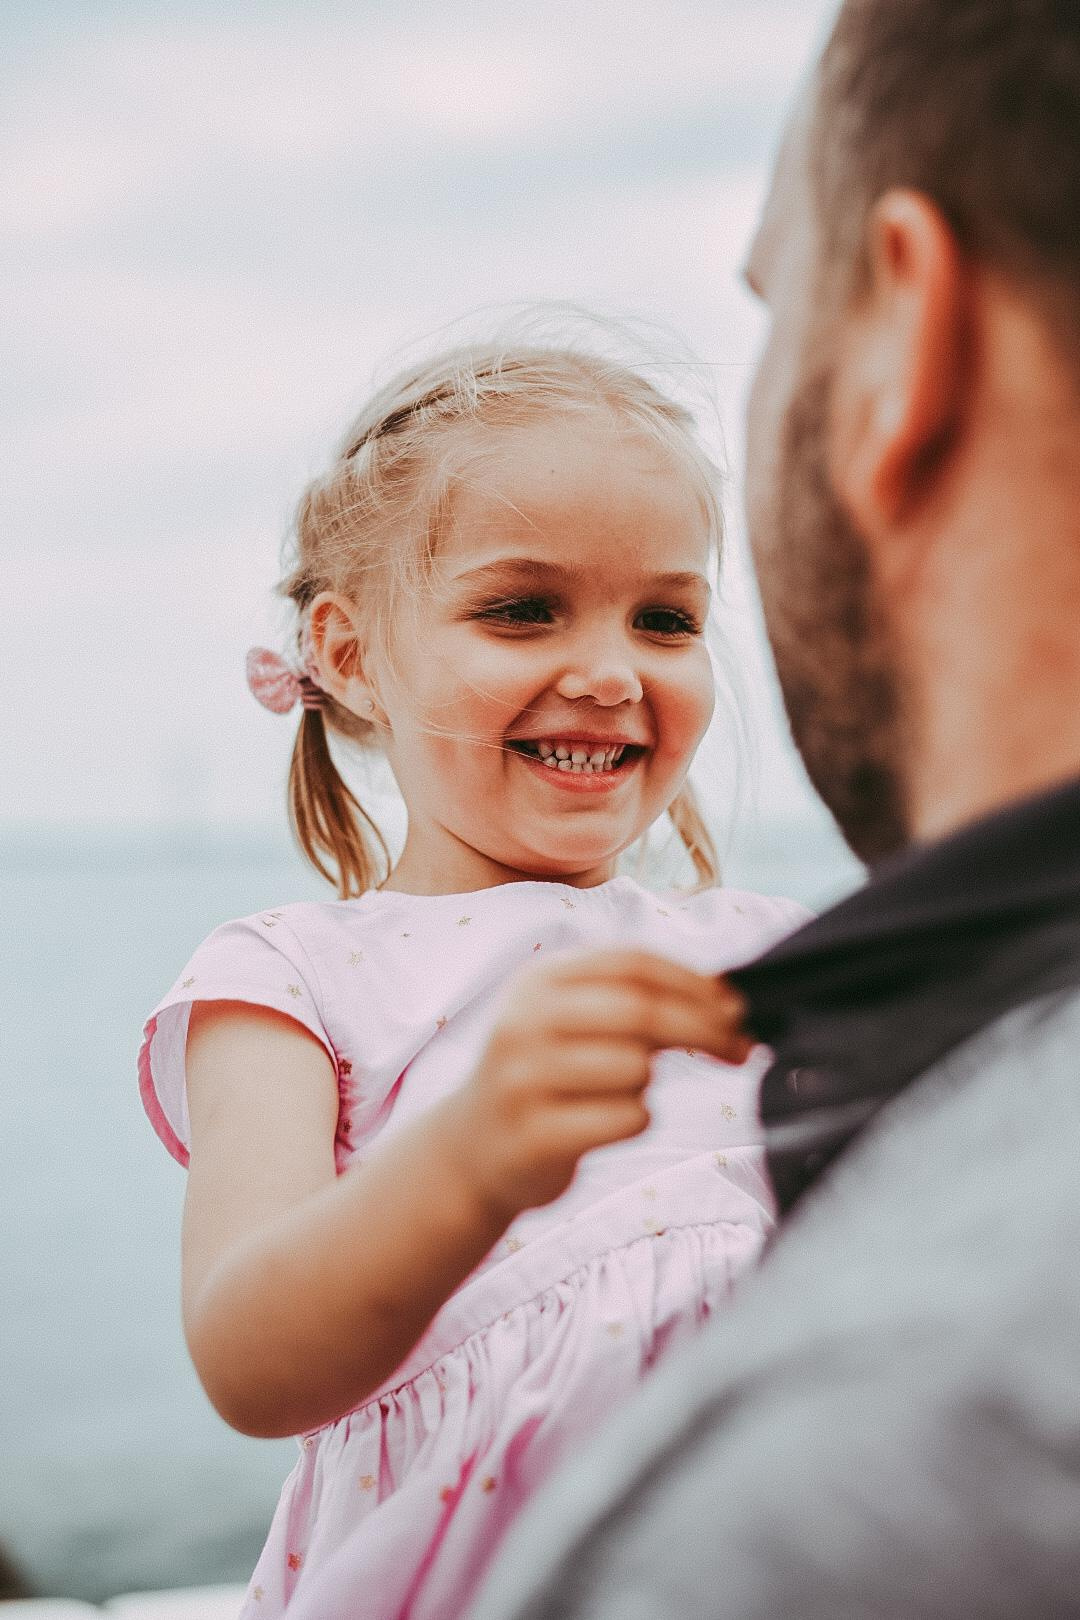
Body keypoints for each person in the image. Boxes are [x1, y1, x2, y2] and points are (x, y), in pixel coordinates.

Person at [471, 2, 1080, 1616]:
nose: (610, 671)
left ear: (902, 343)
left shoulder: (828, 1493)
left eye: (774, 308)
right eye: (525, 611)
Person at [138, 342, 807, 1619]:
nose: (613, 672)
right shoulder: (289, 981)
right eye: (522, 609)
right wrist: (476, 1157)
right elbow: (249, 1362)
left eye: (665, 618)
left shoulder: (769, 952)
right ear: (351, 653)